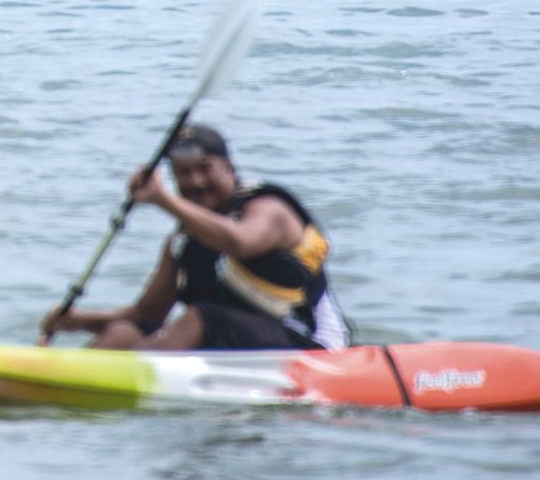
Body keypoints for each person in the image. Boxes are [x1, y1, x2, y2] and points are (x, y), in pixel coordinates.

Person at [38, 124, 348, 352]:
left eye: (205, 168)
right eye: (183, 173)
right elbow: (148, 314)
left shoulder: (268, 209)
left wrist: (163, 200)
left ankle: (111, 379)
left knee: (200, 318)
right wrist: (78, 321)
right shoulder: (184, 240)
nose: (196, 181)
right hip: (244, 346)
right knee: (125, 332)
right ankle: (70, 377)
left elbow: (238, 242)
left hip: (312, 345)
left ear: (229, 168)